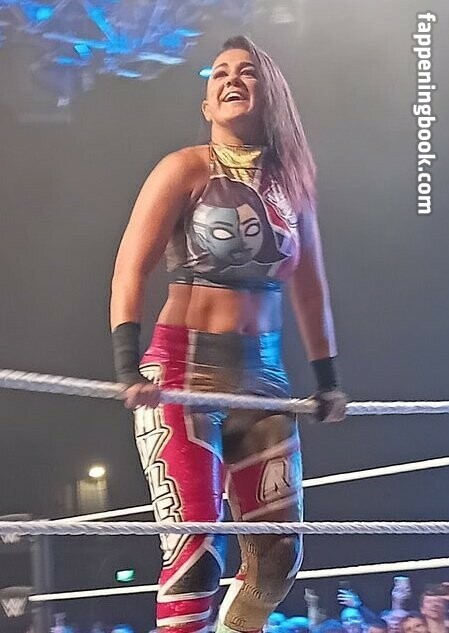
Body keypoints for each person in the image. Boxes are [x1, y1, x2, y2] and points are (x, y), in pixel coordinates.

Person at [110, 34, 347, 633]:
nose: (230, 79)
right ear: (206, 102)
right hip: (182, 371)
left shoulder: (292, 187)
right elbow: (130, 266)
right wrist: (126, 364)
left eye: (246, 71)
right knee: (195, 559)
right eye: (219, 73)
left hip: (263, 379)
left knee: (278, 562)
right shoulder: (183, 168)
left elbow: (312, 290)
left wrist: (327, 380)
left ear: (271, 93)